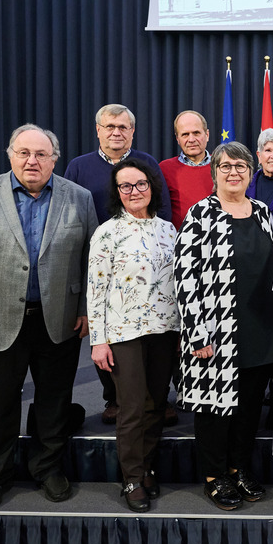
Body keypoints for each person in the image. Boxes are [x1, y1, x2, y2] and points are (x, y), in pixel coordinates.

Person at [0, 123, 97, 512]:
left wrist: (86, 310)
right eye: (24, 153)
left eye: (41, 154)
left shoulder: (78, 197)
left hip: (59, 319)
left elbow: (92, 262)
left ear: (54, 159)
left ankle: (47, 469)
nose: (32, 161)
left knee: (54, 401)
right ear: (10, 155)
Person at [175, 142, 273, 511]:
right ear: (214, 172)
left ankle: (238, 468)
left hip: (261, 328)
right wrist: (197, 332)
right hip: (216, 332)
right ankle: (214, 475)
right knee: (214, 409)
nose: (234, 172)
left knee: (249, 407)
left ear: (251, 173)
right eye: (226, 166)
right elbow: (185, 276)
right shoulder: (200, 214)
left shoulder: (263, 212)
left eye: (241, 166)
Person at [64, 104, 172, 425]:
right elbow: (68, 217)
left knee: (150, 340)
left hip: (142, 267)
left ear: (132, 131)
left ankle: (155, 398)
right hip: (97, 263)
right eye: (110, 126)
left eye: (123, 127)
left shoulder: (147, 163)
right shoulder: (79, 167)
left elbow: (162, 209)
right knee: (107, 333)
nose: (116, 132)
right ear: (98, 130)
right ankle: (113, 397)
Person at [87, 159, 179, 512]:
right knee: (132, 407)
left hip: (165, 329)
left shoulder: (169, 230)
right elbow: (96, 290)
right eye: (125, 186)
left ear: (151, 187)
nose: (134, 191)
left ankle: (146, 468)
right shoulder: (107, 232)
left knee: (156, 404)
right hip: (124, 332)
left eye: (140, 184)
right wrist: (98, 340)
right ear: (117, 192)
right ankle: (131, 477)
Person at [159, 110, 214, 230]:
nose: (191, 139)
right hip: (179, 238)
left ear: (207, 135)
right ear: (177, 139)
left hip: (218, 237)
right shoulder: (164, 168)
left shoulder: (221, 166)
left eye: (196, 133)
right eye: (185, 134)